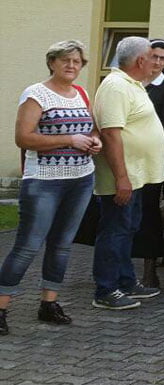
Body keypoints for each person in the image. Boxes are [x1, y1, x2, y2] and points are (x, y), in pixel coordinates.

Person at [1, 41, 101, 332]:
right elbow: (24, 138)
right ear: (52, 62)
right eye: (65, 60)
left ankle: (49, 303)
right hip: (44, 180)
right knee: (27, 247)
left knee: (62, 245)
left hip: (81, 178)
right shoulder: (36, 94)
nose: (72, 66)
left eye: (77, 61)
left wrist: (95, 141)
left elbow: (91, 127)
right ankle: (1, 307)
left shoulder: (81, 93)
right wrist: (69, 140)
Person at [90, 36, 164, 309]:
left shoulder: (132, 85)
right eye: (152, 57)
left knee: (127, 228)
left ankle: (125, 282)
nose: (156, 62)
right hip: (122, 177)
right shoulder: (116, 87)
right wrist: (121, 177)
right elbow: (111, 133)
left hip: (136, 175)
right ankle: (105, 289)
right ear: (140, 60)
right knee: (115, 230)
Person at [140, 38, 164, 288]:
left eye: (163, 58)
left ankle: (149, 269)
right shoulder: (133, 82)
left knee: (149, 215)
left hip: (152, 162)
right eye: (154, 56)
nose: (157, 62)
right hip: (126, 159)